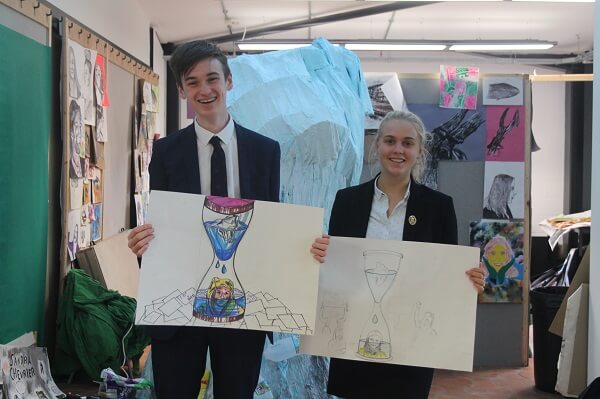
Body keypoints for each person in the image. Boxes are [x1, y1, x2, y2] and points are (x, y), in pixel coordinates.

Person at [127, 40, 281, 398]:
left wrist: (302, 246)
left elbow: (271, 226)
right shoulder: (165, 153)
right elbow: (161, 228)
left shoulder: (265, 152)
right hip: (179, 309)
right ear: (181, 91)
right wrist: (142, 245)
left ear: (228, 81)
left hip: (242, 308)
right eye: (192, 82)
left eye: (212, 78)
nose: (204, 89)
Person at [310, 110, 485, 399]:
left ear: (419, 151)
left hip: (410, 343)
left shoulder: (438, 207)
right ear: (376, 146)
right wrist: (318, 254)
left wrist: (470, 282)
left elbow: (446, 275)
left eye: (408, 143)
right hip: (354, 338)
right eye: (390, 141)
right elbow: (335, 271)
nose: (398, 150)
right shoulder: (347, 201)